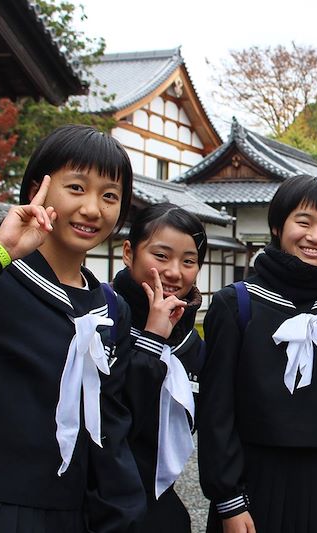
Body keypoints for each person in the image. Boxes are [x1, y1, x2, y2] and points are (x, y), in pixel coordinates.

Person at [0, 124, 146, 532]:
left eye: (110, 196)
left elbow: (110, 429)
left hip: (71, 516)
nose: (93, 209)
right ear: (35, 192)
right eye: (76, 188)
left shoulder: (112, 309)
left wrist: (122, 517)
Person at [198, 174, 317, 533]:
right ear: (277, 225)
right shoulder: (237, 304)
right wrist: (227, 498)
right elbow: (216, 411)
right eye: (303, 222)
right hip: (256, 479)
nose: (315, 237)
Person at [113, 203, 208, 532]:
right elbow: (116, 420)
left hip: (162, 509)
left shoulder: (194, 345)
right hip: (102, 504)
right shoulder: (100, 319)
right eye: (161, 255)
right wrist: (152, 338)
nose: (174, 272)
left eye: (189, 261)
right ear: (129, 253)